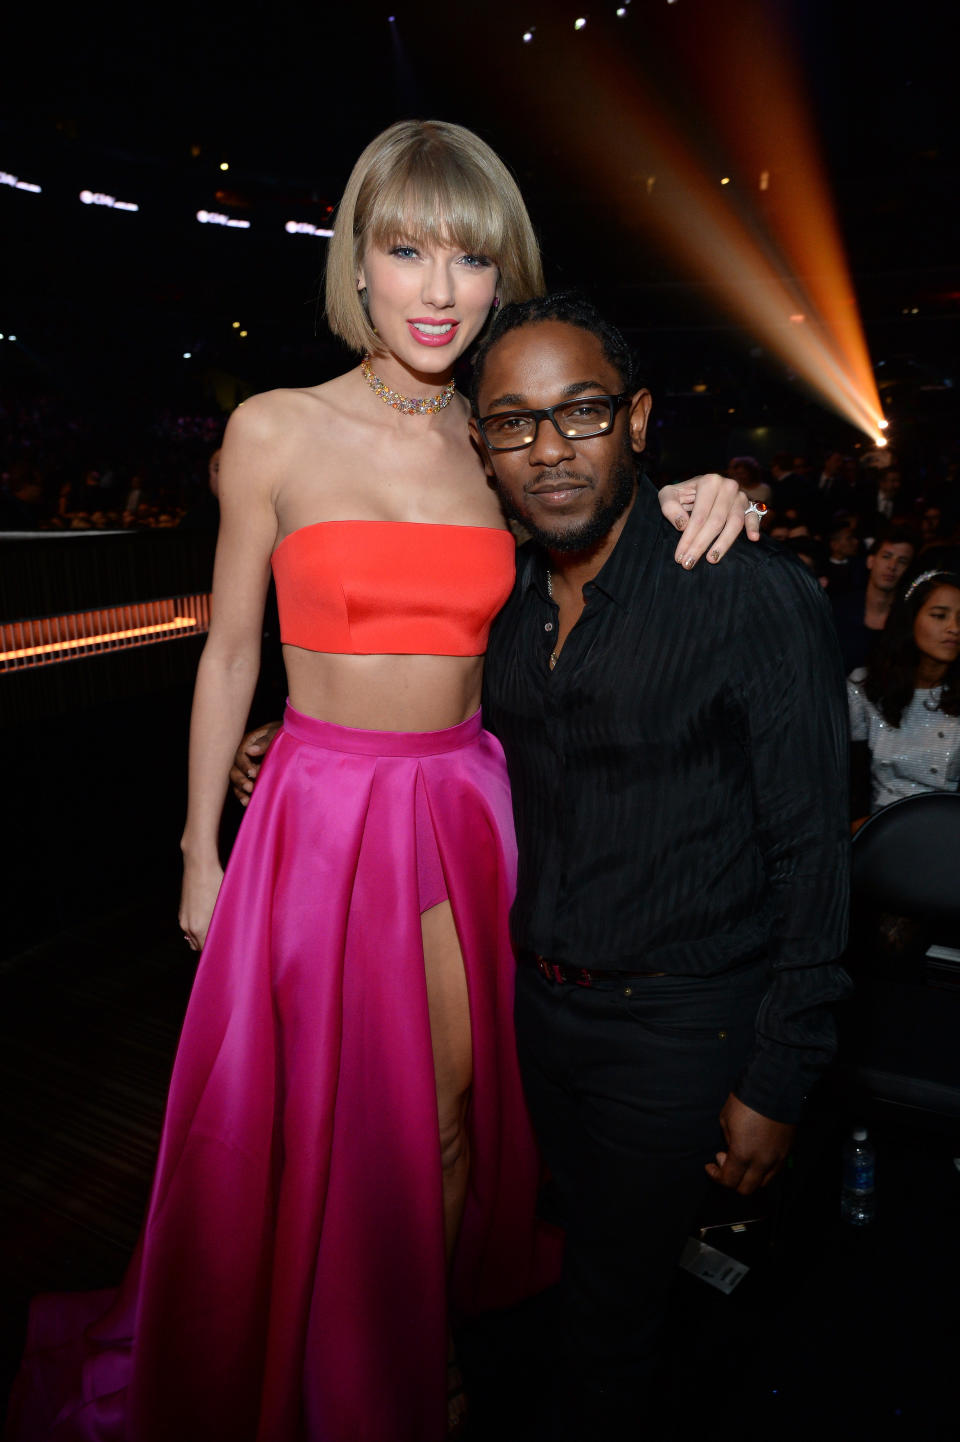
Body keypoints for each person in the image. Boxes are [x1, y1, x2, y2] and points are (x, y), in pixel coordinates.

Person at [4, 124, 757, 1442]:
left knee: (452, 1115)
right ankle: (323, 1356)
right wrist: (198, 846)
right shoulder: (275, 430)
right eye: (407, 248)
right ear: (357, 262)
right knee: (314, 1125)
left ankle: (416, 1350)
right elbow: (231, 644)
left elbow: (612, 500)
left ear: (498, 277)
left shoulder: (505, 441)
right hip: (314, 812)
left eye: (469, 256)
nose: (436, 285)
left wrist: (710, 493)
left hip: (467, 809)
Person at [470, 293, 850, 1438]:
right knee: (562, 1273)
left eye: (581, 412)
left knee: (611, 1312)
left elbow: (814, 851)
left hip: (682, 1024)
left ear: (637, 419)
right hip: (538, 1017)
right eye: (514, 423)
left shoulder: (745, 592)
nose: (549, 447)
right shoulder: (500, 604)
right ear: (482, 449)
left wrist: (780, 1075)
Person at [848, 569, 960, 825]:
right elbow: (849, 777)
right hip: (881, 828)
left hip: (949, 830)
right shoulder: (865, 688)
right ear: (911, 620)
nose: (954, 628)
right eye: (939, 616)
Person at [830, 525, 917, 675]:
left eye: (902, 561)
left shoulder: (911, 618)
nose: (892, 566)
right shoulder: (839, 609)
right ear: (871, 561)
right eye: (886, 556)